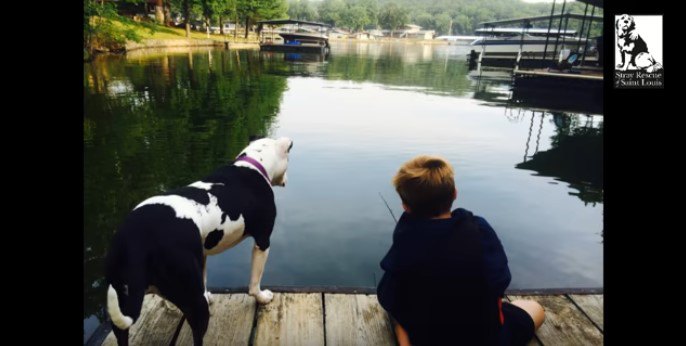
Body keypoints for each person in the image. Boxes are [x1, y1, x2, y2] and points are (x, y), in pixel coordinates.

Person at [377, 155, 545, 345]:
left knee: (396, 308)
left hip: (427, 334)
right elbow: (501, 280)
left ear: (405, 206)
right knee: (535, 308)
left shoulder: (406, 238)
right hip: (485, 337)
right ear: (455, 193)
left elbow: (387, 294)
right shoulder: (479, 229)